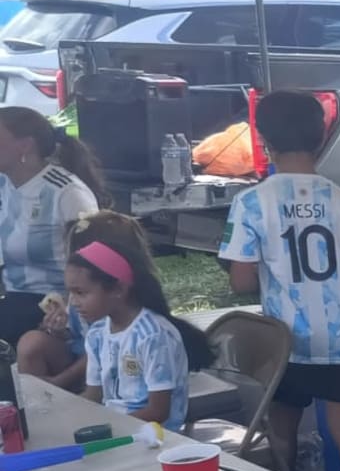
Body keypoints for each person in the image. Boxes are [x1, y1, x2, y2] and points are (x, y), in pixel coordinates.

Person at [219, 89, 340, 471]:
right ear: (322, 137)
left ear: (264, 140)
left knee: (282, 427)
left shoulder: (251, 202)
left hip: (287, 339)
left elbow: (240, 280)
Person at [68, 233, 213, 431]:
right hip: (118, 428)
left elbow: (158, 412)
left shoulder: (153, 335)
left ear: (118, 289)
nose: (73, 302)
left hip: (155, 436)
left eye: (81, 293)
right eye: (71, 293)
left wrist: (106, 429)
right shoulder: (97, 333)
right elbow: (94, 395)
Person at [0, 106, 108, 345]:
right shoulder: (4, 184)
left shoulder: (66, 192)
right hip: (14, 297)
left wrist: (69, 315)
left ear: (24, 145)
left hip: (55, 304)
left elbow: (95, 264)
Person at [17, 211, 153, 391]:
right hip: (82, 361)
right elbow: (78, 335)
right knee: (31, 342)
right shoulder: (85, 291)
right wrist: (59, 331)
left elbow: (102, 348)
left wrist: (58, 381)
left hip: (115, 366)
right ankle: (35, 408)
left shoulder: (121, 300)